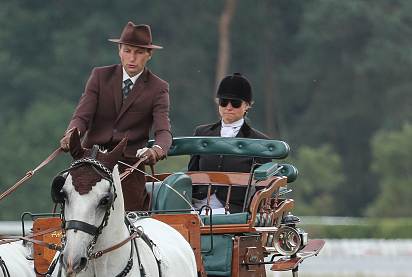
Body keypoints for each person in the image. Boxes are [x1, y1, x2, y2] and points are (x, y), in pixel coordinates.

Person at [60, 22, 172, 211]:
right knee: (71, 208)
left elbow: (163, 131)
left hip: (129, 164)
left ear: (149, 54)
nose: (132, 58)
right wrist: (72, 134)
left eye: (139, 52)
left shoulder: (158, 88)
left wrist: (156, 150)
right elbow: (82, 116)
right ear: (119, 50)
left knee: (129, 216)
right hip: (90, 158)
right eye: (127, 50)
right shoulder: (99, 76)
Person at [187, 72, 270, 215]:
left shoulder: (259, 141)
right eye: (224, 102)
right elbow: (192, 170)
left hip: (233, 208)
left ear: (246, 106)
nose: (228, 107)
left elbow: (263, 186)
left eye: (235, 103)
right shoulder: (202, 132)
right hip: (199, 203)